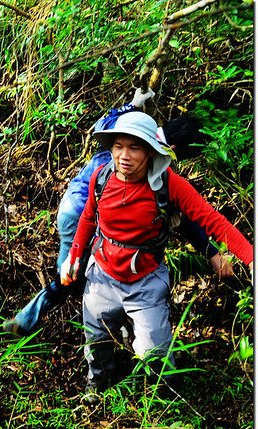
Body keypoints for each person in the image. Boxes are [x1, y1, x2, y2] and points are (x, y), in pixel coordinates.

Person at [4, 88, 233, 337]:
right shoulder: (145, 161)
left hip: (70, 206)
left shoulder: (125, 132)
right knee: (71, 274)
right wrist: (211, 251)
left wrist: (131, 104)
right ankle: (26, 322)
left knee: (74, 273)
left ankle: (103, 322)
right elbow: (186, 221)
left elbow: (103, 123)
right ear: (175, 148)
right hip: (87, 215)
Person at [59, 111, 253, 403]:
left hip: (145, 282)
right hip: (102, 275)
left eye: (134, 147)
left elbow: (213, 221)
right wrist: (73, 256)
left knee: (155, 353)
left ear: (151, 150)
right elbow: (88, 218)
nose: (124, 156)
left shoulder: (168, 184)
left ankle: (164, 403)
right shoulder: (101, 177)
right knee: (96, 341)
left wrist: (250, 257)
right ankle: (97, 385)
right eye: (118, 146)